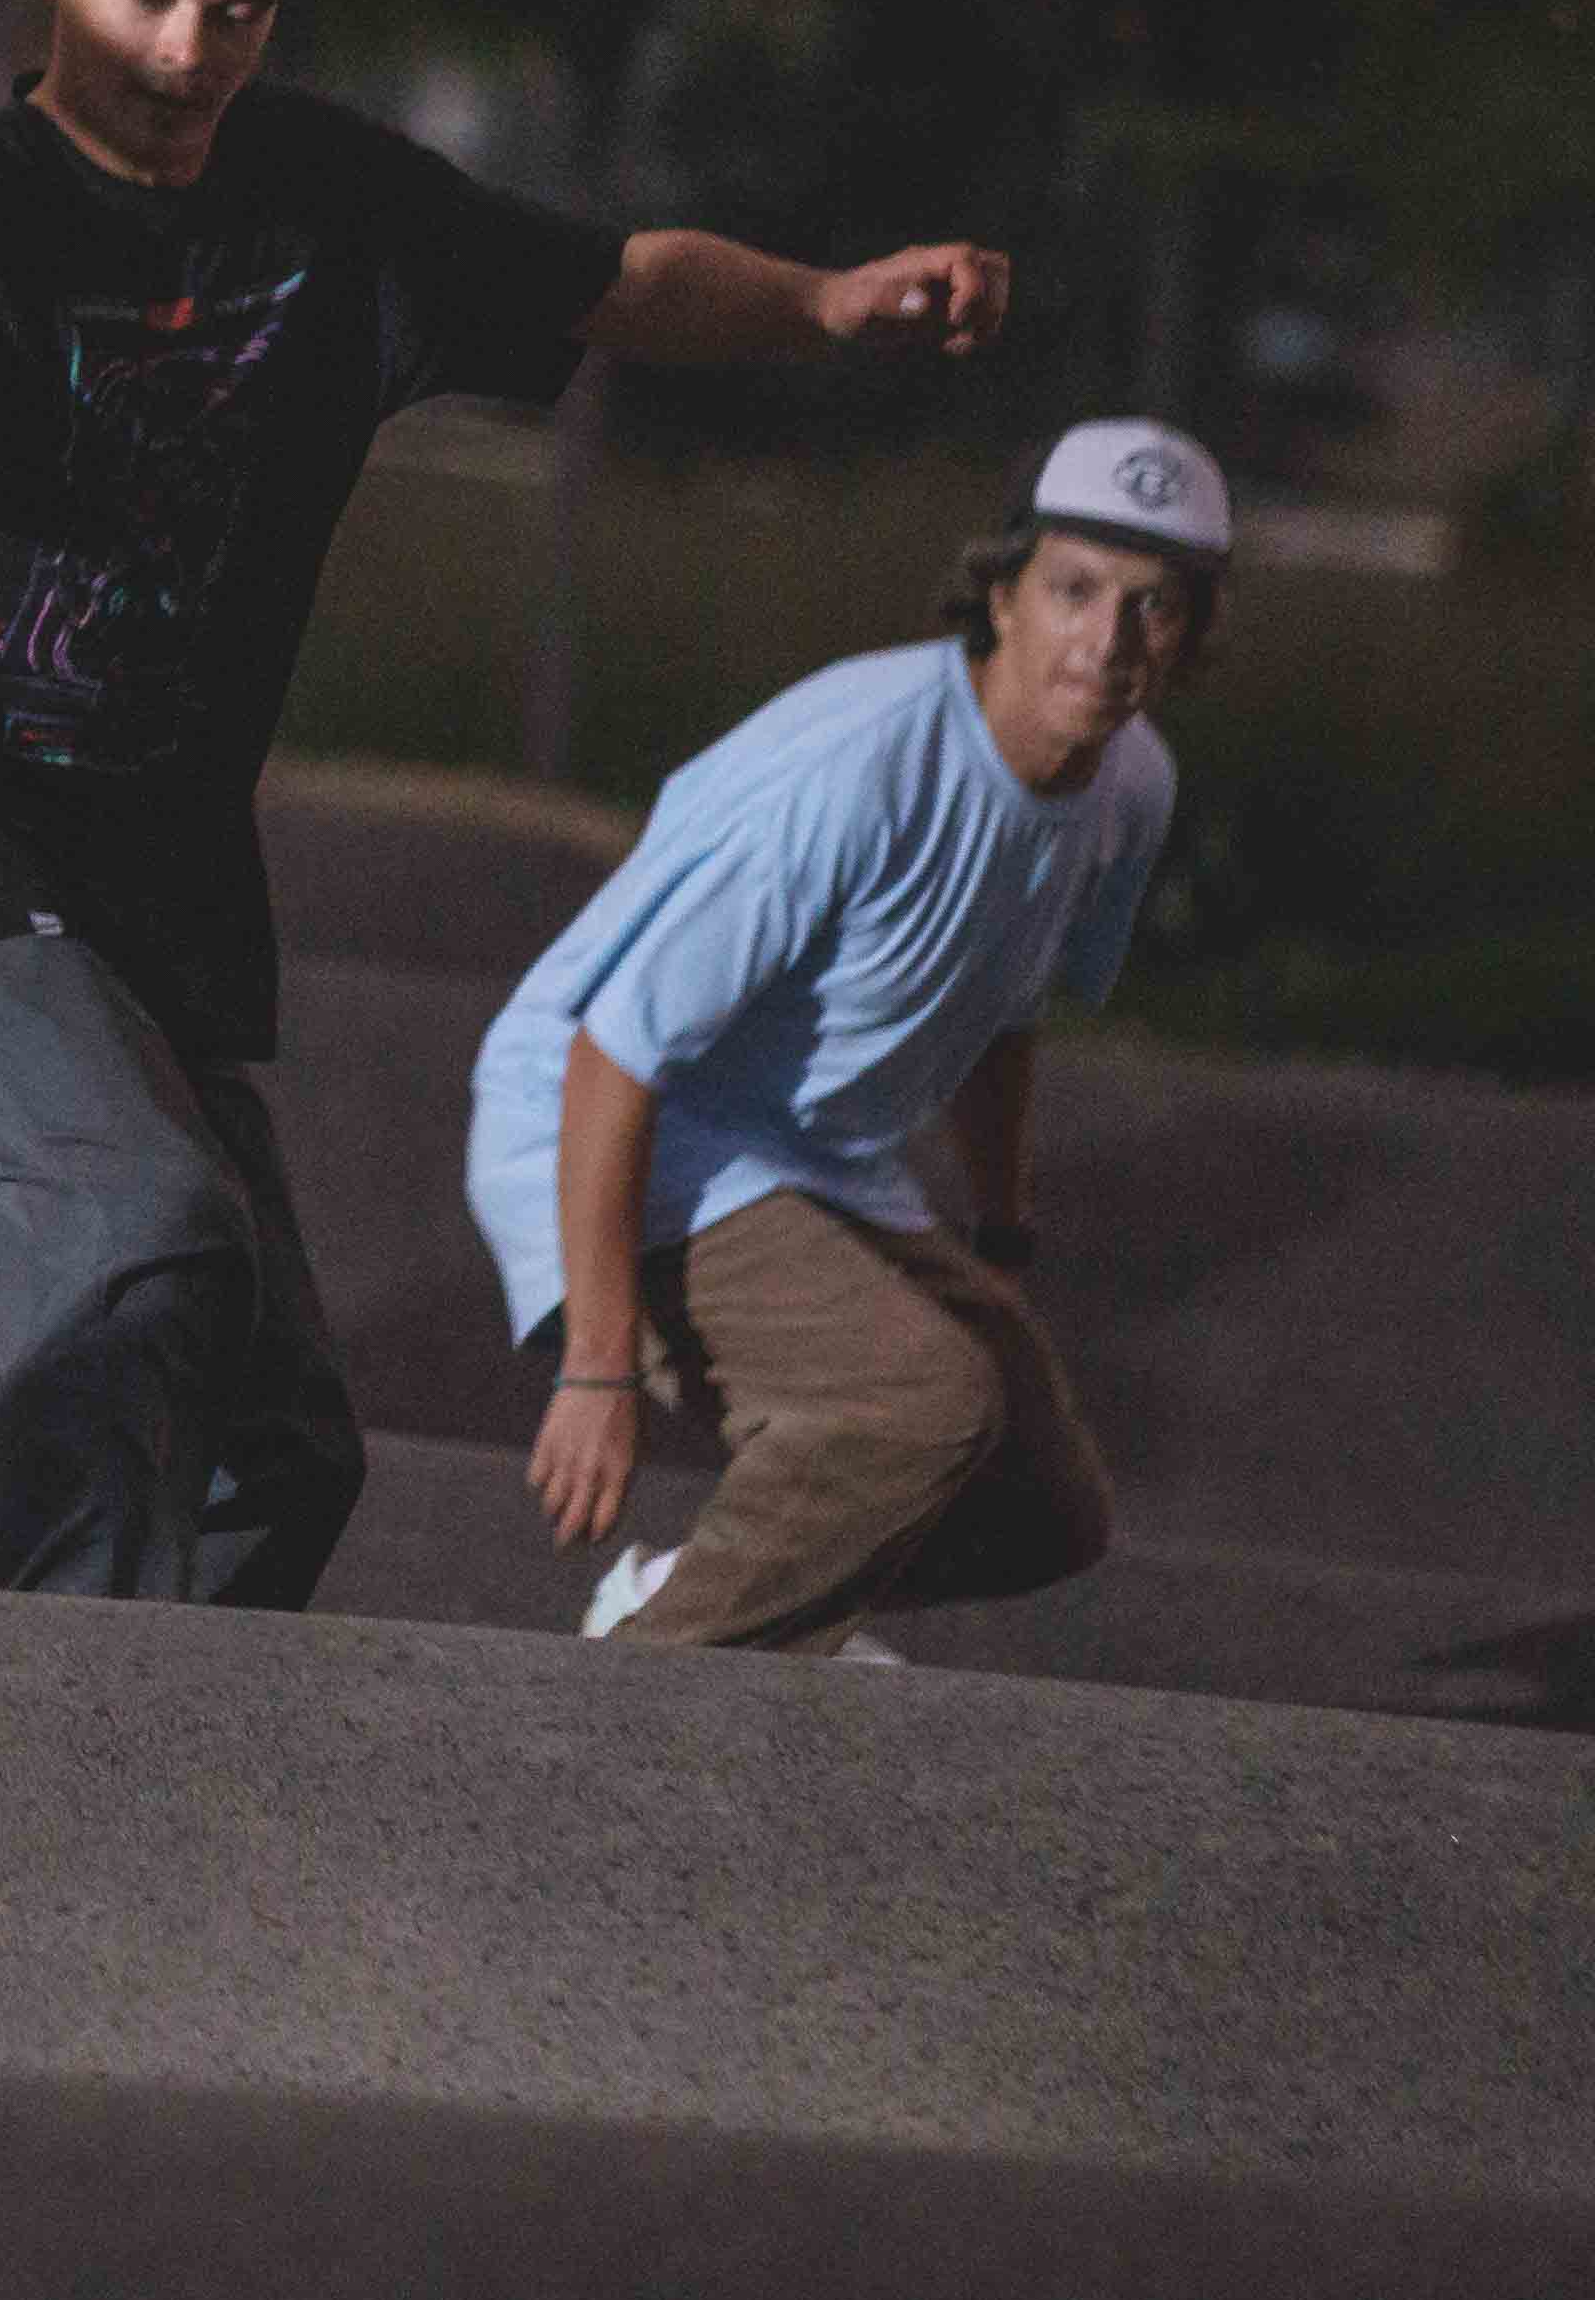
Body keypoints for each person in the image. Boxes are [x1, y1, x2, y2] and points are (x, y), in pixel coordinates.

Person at [0, 0, 1012, 1608]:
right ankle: (10, 1759)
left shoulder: (330, 203)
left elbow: (619, 282)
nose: (187, 54)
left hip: (141, 892)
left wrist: (825, 306)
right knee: (139, 1253)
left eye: (240, 9)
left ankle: (153, 1797)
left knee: (275, 1443)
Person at [466, 421, 1214, 1658]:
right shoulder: (859, 769)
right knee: (915, 1404)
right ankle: (623, 1704)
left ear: (1192, 634)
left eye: (1156, 607)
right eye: (1075, 591)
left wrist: (1001, 1234)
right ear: (1003, 593)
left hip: (805, 1162)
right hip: (593, 1125)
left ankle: (694, 1604)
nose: (1108, 642)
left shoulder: (1130, 790)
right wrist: (595, 1369)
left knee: (1042, 1502)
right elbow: (613, 1048)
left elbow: (1003, 1007)